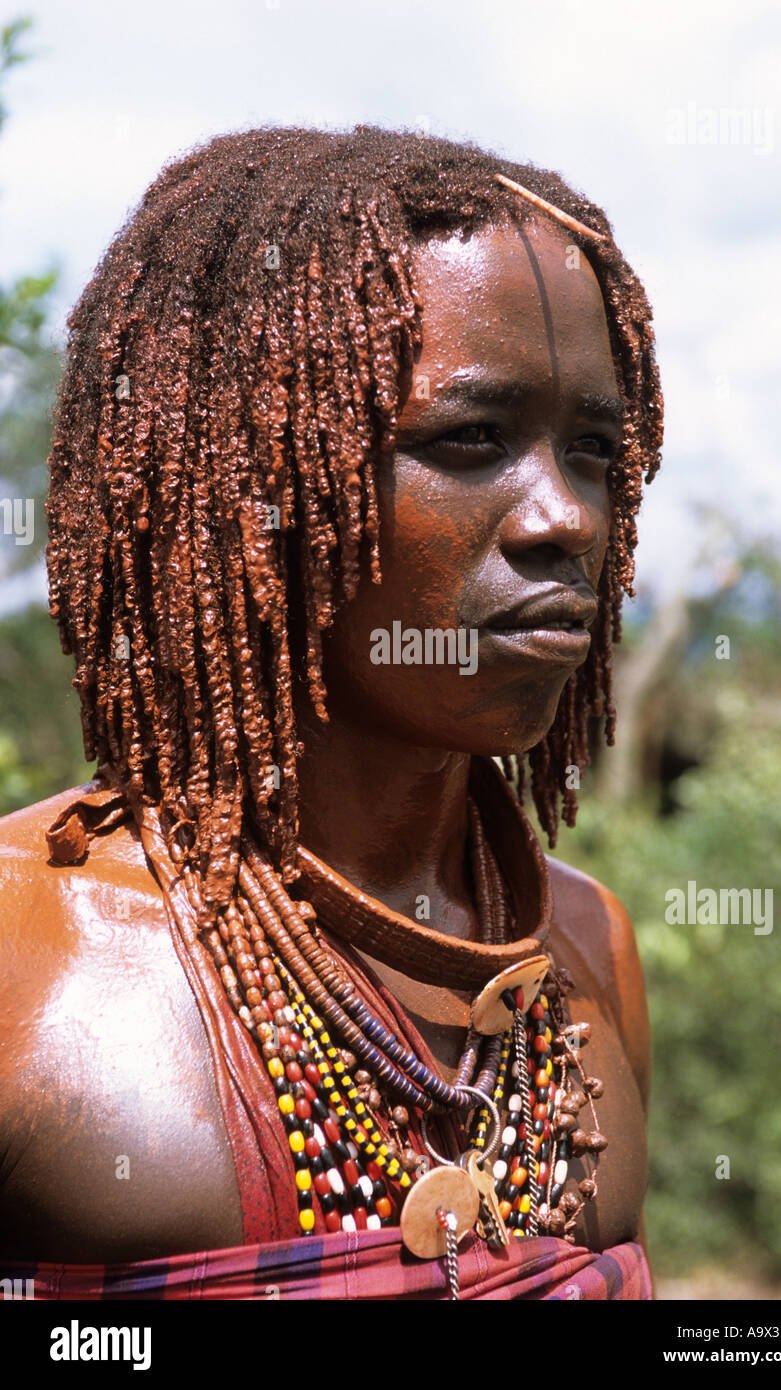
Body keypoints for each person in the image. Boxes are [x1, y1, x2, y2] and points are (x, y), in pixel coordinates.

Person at [0, 126, 662, 1300]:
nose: (565, 517)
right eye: (469, 440)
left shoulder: (582, 949)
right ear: (244, 486)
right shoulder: (23, 948)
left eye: (597, 452)